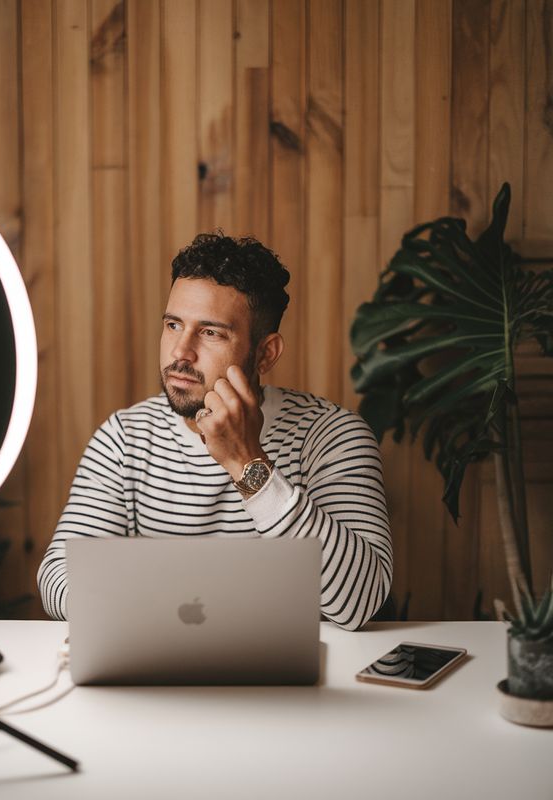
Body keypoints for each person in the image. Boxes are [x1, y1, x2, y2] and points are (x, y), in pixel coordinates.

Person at [38, 233, 392, 630]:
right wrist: (162, 613)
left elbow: (361, 601)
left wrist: (248, 464)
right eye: (173, 325)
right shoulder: (126, 438)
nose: (180, 352)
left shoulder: (332, 435)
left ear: (265, 353)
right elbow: (57, 578)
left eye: (211, 333)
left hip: (295, 667)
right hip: (163, 658)